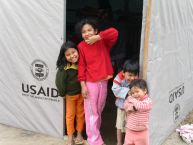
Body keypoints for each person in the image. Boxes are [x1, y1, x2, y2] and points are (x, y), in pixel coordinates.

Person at [75, 18, 118, 145]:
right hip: (90, 83)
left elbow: (114, 32)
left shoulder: (103, 41)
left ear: (96, 31)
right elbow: (81, 66)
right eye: (84, 32)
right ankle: (94, 141)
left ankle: (95, 136)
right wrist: (83, 86)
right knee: (91, 113)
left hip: (103, 82)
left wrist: (99, 37)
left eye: (89, 30)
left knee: (98, 111)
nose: (87, 33)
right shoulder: (81, 46)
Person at [55, 41, 84, 145]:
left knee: (80, 115)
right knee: (70, 116)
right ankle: (70, 136)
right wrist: (63, 94)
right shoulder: (64, 68)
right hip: (70, 96)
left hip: (81, 95)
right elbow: (59, 83)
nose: (72, 56)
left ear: (78, 50)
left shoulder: (82, 63)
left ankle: (79, 134)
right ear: (64, 56)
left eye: (73, 52)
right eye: (68, 54)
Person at [112, 59, 139, 145]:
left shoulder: (137, 79)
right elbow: (115, 89)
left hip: (132, 108)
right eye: (129, 75)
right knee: (119, 126)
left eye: (134, 75)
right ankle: (119, 142)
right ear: (123, 73)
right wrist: (127, 92)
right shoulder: (119, 77)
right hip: (121, 107)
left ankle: (127, 142)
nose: (132, 78)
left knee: (130, 126)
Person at [124, 79, 152, 145]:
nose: (135, 94)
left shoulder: (148, 101)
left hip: (142, 132)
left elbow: (140, 106)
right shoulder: (130, 99)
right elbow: (125, 106)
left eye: (137, 91)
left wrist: (133, 100)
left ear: (145, 91)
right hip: (130, 130)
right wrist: (131, 107)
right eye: (132, 93)